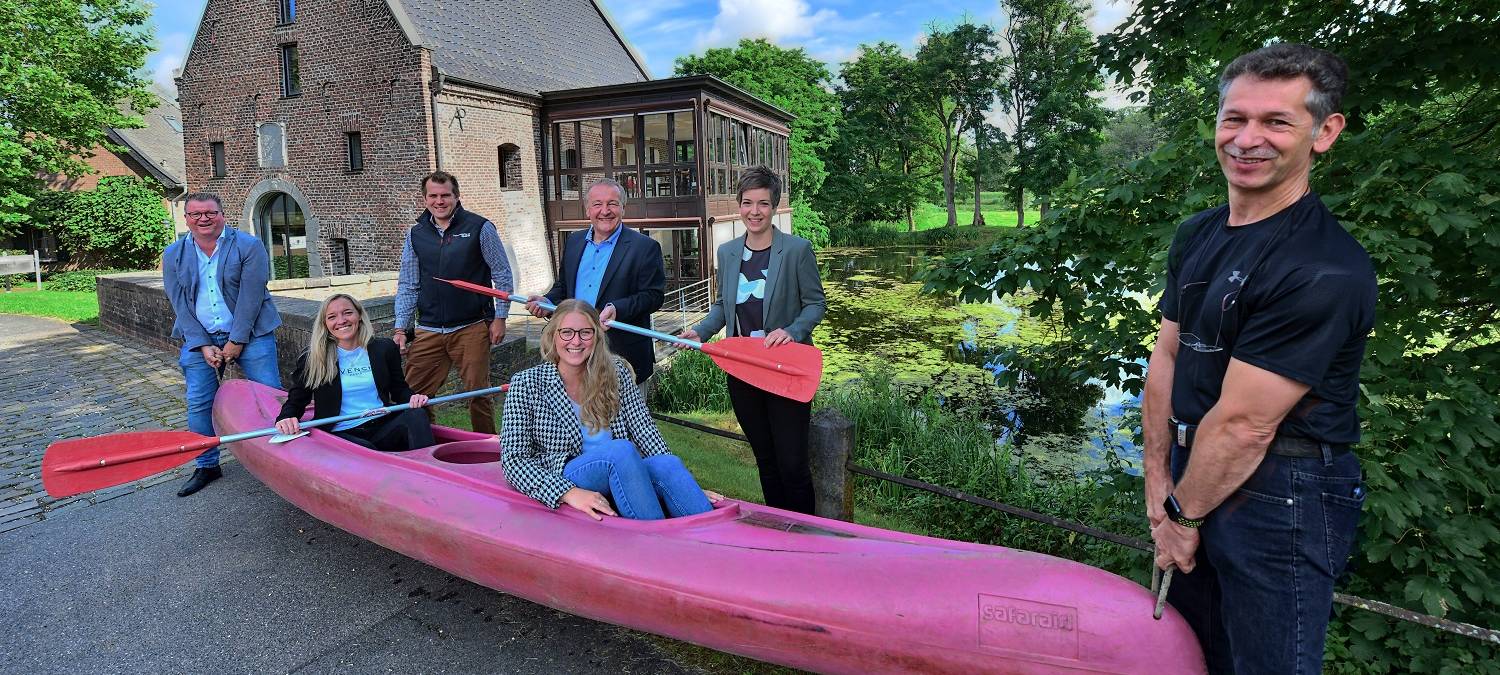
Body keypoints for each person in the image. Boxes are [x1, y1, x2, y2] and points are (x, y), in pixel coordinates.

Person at [1142, 44, 1377, 673]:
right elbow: (1167, 358)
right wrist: (1159, 485)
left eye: (1276, 122)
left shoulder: (1322, 267)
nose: (1247, 139)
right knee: (1190, 655)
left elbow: (1247, 426)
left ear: (1324, 133)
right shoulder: (1199, 232)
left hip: (1284, 493)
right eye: (1233, 118)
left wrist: (1180, 516)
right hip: (1197, 468)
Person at [676, 167, 826, 515]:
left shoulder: (797, 250)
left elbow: (816, 304)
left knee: (792, 464)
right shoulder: (727, 253)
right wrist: (702, 330)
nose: (754, 211)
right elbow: (722, 306)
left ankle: (805, 536)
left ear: (774, 206)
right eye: (747, 203)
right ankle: (778, 529)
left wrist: (792, 331)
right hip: (743, 371)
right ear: (739, 205)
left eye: (762, 203)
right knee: (766, 460)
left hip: (785, 369)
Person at [501, 300, 720, 520]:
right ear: (553, 336)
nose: (576, 341)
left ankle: (715, 545)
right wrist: (567, 492)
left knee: (668, 465)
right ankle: (655, 545)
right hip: (566, 473)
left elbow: (644, 430)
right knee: (620, 451)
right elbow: (513, 461)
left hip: (623, 468)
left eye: (585, 333)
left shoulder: (616, 373)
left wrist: (682, 486)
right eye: (566, 332)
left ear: (596, 336)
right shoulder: (527, 383)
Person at [162, 192, 283, 497]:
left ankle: (281, 461)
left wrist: (236, 341)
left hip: (251, 333)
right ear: (186, 218)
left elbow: (251, 296)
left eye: (210, 213)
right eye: (196, 214)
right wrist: (202, 344)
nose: (204, 219)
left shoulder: (248, 246)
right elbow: (180, 304)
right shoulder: (173, 254)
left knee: (268, 396)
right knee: (200, 402)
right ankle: (206, 464)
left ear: (222, 214)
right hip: (200, 337)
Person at [393, 171, 513, 435]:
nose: (439, 201)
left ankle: (486, 447)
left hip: (471, 326)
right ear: (425, 199)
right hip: (429, 328)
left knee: (478, 393)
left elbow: (502, 274)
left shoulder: (480, 227)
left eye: (445, 195)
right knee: (414, 394)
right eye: (433, 196)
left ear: (456, 197)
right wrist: (400, 328)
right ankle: (427, 441)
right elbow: (408, 284)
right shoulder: (416, 234)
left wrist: (500, 318)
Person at [525, 179, 665, 383]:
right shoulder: (573, 241)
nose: (605, 211)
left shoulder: (645, 247)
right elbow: (564, 287)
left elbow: (653, 297)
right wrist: (548, 302)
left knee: (625, 415)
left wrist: (617, 308)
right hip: (574, 353)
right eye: (597, 204)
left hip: (622, 356)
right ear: (587, 209)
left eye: (612, 204)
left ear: (623, 208)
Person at [274, 294, 434, 452]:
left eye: (348, 313)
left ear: (359, 315)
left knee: (418, 415)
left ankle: (431, 473)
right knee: (366, 450)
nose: (341, 320)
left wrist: (413, 397)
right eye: (332, 317)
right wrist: (285, 418)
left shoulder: (384, 348)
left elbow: (399, 389)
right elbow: (297, 400)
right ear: (325, 324)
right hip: (341, 432)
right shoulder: (314, 358)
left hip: (382, 423)